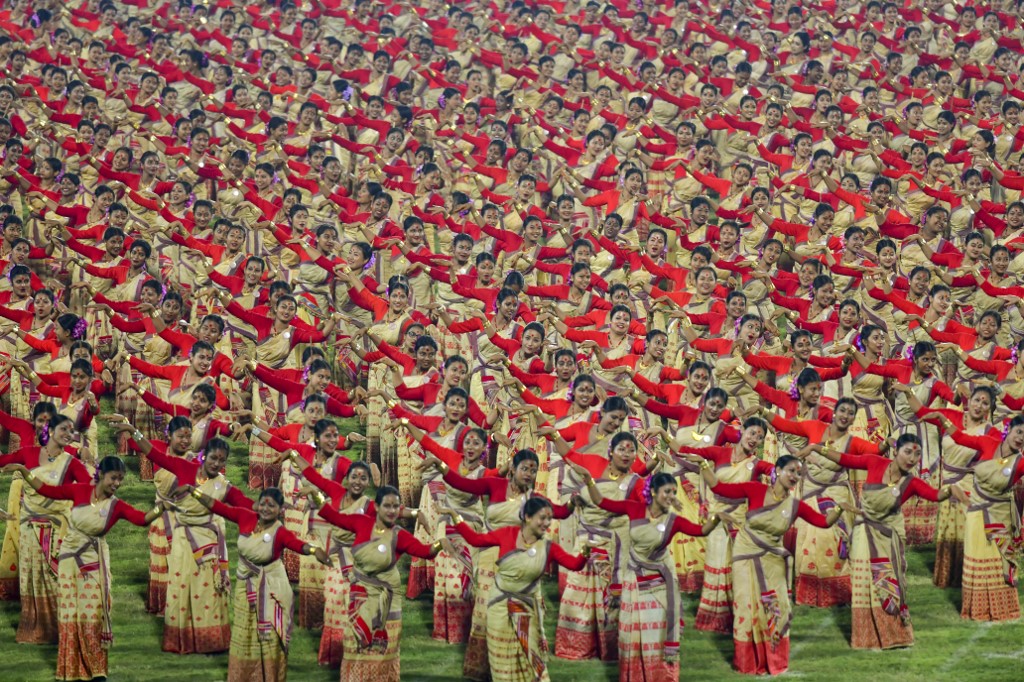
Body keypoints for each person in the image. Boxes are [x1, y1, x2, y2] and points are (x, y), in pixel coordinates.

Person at [2, 456, 166, 681]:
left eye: (120, 479)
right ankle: (71, 669)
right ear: (100, 475)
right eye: (113, 478)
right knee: (70, 615)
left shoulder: (115, 506)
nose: (116, 483)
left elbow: (141, 519)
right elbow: (47, 490)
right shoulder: (79, 491)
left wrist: (162, 508)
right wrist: (23, 469)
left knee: (92, 615)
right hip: (69, 562)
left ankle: (97, 670)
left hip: (92, 563)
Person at [693, 454, 851, 675]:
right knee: (747, 608)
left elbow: (822, 522)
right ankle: (747, 662)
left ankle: (774, 659)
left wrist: (839, 509)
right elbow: (719, 489)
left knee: (778, 607)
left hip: (773, 559)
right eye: (791, 471)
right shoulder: (755, 489)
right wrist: (702, 464)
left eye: (799, 472)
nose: (795, 476)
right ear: (777, 470)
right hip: (745, 555)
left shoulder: (794, 505)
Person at [802, 436, 965, 649]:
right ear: (895, 450)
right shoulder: (874, 462)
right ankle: (866, 636)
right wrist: (817, 448)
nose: (912, 458)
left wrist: (950, 489)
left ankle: (895, 635)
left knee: (886, 581)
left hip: (887, 536)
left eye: (917, 454)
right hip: (863, 531)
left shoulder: (911, 482)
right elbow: (844, 459)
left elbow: (935, 495)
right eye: (908, 452)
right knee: (862, 581)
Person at [574, 468, 719, 682]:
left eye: (673, 492)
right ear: (652, 491)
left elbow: (701, 531)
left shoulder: (674, 520)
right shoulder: (634, 509)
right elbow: (603, 502)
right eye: (667, 491)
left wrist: (716, 518)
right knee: (630, 635)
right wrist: (589, 481)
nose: (671, 496)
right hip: (633, 581)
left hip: (659, 584)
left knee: (656, 637)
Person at [188, 486, 329, 682]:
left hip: (272, 587)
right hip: (245, 585)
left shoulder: (279, 531)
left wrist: (314, 551)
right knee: (243, 631)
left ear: (280, 509)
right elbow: (218, 507)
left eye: (271, 506)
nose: (265, 508)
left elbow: (296, 544)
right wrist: (193, 492)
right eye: (263, 503)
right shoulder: (245, 516)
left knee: (270, 636)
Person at [448, 497, 591, 682]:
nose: (547, 523)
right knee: (501, 659)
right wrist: (455, 516)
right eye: (542, 518)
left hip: (525, 609)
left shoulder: (548, 547)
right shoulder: (507, 534)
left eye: (550, 518)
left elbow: (574, 564)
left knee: (531, 657)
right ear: (528, 517)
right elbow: (475, 540)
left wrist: (586, 551)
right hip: (498, 606)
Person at [314, 484, 442, 682]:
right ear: (376, 506)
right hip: (361, 594)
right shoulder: (361, 523)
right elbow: (334, 517)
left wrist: (441, 542)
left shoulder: (399, 536)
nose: (391, 511)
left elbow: (426, 552)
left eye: (395, 507)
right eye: (387, 506)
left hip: (387, 601)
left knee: (383, 650)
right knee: (354, 643)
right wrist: (316, 495)